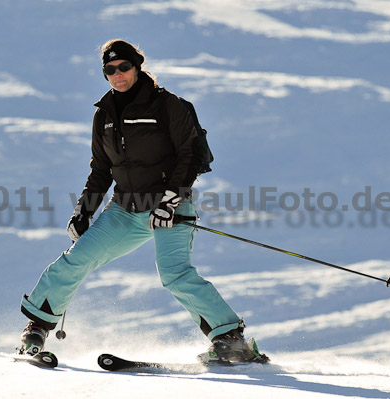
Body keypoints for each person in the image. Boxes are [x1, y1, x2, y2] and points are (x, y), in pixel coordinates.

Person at [18, 39, 268, 363]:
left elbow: (190, 156)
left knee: (174, 273)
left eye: (123, 67)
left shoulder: (168, 105)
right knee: (76, 259)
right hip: (124, 209)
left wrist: (170, 200)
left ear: (136, 66)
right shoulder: (104, 116)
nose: (117, 74)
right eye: (110, 70)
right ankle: (36, 329)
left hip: (170, 207)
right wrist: (83, 211)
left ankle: (229, 339)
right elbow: (100, 170)